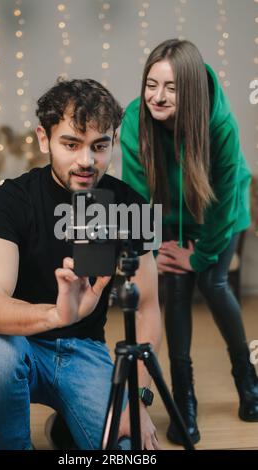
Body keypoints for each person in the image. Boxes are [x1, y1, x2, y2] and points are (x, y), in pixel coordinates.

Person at [0, 79, 161, 450]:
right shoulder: (6, 201)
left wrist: (135, 400)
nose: (86, 161)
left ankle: (67, 427)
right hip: (17, 343)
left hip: (86, 351)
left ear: (112, 143)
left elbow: (149, 310)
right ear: (44, 139)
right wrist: (59, 314)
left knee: (126, 450)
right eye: (71, 144)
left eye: (99, 146)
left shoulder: (131, 204)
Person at [121, 39, 258, 445]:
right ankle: (184, 397)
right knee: (175, 290)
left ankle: (246, 378)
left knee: (212, 284)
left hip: (220, 217)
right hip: (168, 217)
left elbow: (222, 202)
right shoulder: (135, 119)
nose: (156, 97)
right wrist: (150, 249)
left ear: (192, 90)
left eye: (171, 88)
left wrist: (200, 256)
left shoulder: (220, 126)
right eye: (151, 84)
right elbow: (136, 194)